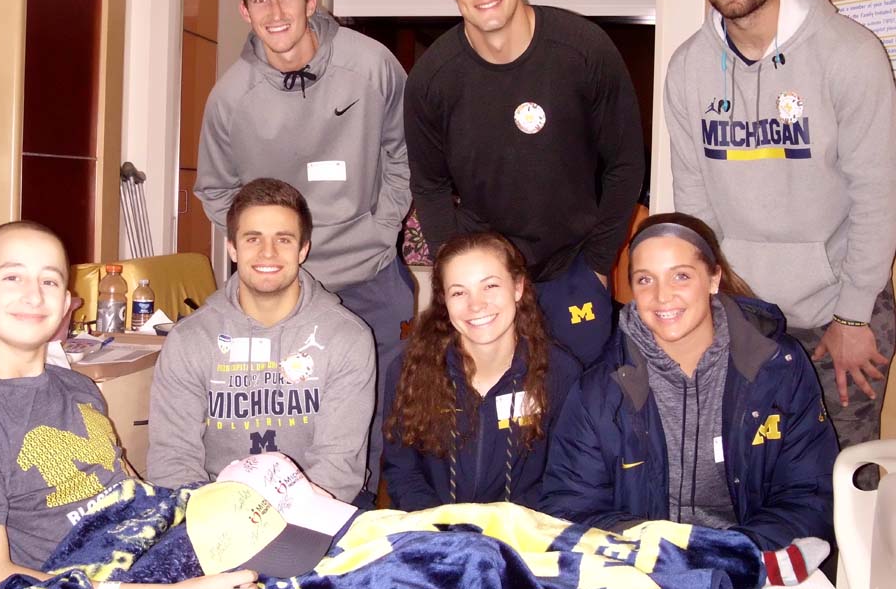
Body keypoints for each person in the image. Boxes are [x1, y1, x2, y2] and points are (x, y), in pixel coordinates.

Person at [664, 0, 896, 457]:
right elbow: (694, 206)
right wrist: (713, 310)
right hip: (743, 314)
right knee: (748, 470)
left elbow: (878, 194)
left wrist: (853, 316)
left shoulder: (850, 53)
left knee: (840, 474)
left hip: (840, 310)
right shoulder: (689, 68)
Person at [0, 220, 257, 589]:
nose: (34, 295)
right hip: (91, 575)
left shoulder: (79, 387)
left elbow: (130, 488)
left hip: (157, 550)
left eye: (49, 281)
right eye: (13, 277)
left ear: (66, 302)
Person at [194, 0, 413, 495]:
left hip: (368, 277)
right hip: (276, 290)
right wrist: (261, 249)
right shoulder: (229, 98)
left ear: (311, 2)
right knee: (278, 421)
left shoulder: (371, 66)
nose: (275, 13)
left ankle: (351, 532)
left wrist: (381, 228)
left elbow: (405, 155)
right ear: (244, 10)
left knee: (370, 429)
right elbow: (216, 189)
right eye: (260, 0)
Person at [404, 0, 645, 368]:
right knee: (492, 397)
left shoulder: (583, 50)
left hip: (572, 269)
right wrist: (457, 272)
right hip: (486, 280)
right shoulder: (432, 80)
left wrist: (598, 263)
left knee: (582, 396)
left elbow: (626, 164)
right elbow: (430, 186)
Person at [541, 213, 838, 551]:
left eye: (680, 276)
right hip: (645, 563)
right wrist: (665, 553)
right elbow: (569, 509)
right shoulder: (600, 390)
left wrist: (731, 552)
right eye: (645, 280)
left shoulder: (777, 368)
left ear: (713, 278)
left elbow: (810, 496)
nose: (662, 296)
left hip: (752, 556)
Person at [148, 178, 376, 503]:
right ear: (232, 248)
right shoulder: (189, 340)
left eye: (283, 239)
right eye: (253, 239)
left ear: (303, 249)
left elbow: (337, 468)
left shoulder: (348, 338)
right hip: (215, 511)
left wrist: (279, 522)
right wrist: (219, 521)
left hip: (316, 509)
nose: (268, 252)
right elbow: (173, 460)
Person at [382, 232, 581, 510]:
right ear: (444, 301)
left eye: (490, 286)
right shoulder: (409, 370)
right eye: (459, 292)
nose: (476, 304)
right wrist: (442, 525)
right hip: (430, 526)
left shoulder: (560, 373)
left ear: (518, 287)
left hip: (522, 528)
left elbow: (564, 473)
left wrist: (499, 525)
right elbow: (402, 471)